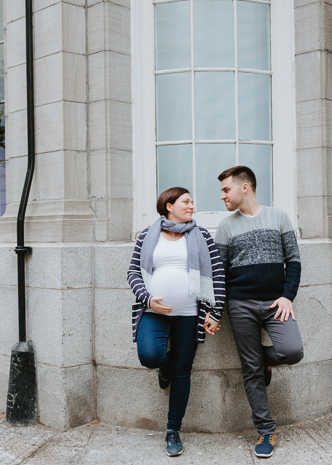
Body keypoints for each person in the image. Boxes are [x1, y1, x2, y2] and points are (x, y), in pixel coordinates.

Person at [127, 187, 225, 457]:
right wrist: (147, 299)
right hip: (155, 313)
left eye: (192, 201)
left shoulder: (201, 235)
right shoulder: (148, 235)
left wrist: (215, 312)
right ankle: (164, 368)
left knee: (183, 373)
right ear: (169, 205)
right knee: (150, 356)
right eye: (186, 201)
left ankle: (173, 430)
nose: (192, 205)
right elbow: (133, 271)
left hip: (190, 317)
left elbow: (217, 274)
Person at [215, 166, 304, 459]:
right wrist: (218, 310)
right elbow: (220, 273)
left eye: (226, 189)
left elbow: (293, 261)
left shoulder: (278, 217)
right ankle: (266, 430)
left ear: (245, 187)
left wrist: (287, 297)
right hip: (240, 305)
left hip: (275, 304)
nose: (222, 196)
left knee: (292, 351)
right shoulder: (226, 226)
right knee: (250, 370)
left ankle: (263, 361)